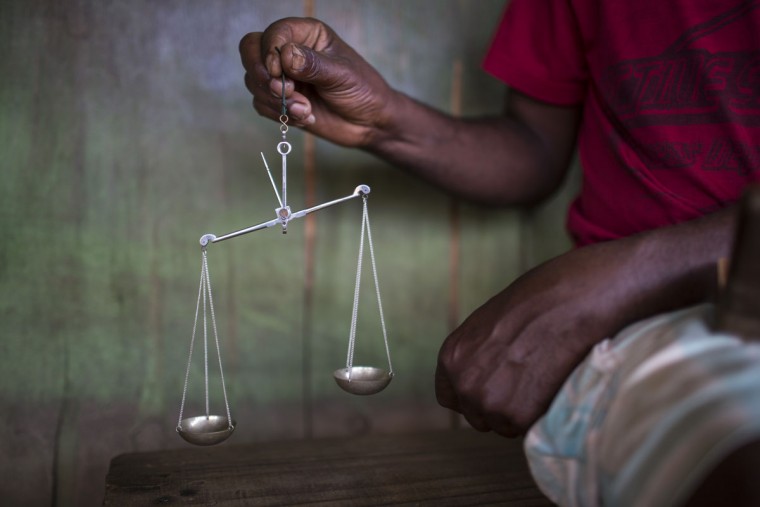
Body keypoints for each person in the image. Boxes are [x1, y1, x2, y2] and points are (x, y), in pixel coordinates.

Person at [239, 2, 760, 505]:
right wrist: (386, 121)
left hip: (645, 293)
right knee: (726, 439)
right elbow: (535, 145)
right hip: (657, 329)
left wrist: (621, 280)